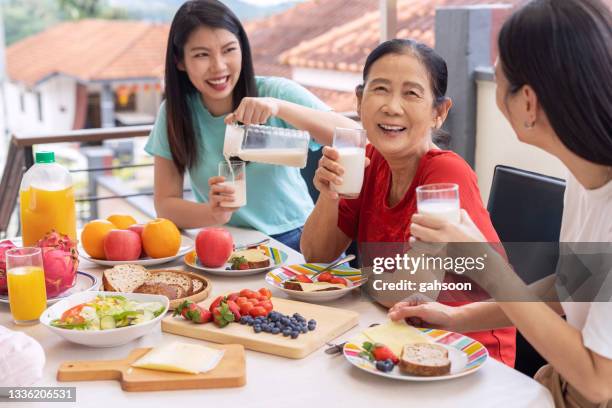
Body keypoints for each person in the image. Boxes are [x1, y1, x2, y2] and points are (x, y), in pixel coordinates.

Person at [392, 0, 612, 405]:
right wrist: (456, 317)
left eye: (498, 75)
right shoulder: (588, 178)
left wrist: (488, 266)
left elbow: (601, 381)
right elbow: (571, 287)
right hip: (560, 383)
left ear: (527, 103)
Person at [300, 39, 516, 367]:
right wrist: (329, 195)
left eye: (411, 93)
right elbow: (317, 255)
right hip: (397, 335)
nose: (392, 106)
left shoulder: (446, 172)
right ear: (359, 101)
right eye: (381, 89)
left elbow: (412, 287)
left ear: (439, 113)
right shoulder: (367, 160)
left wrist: (351, 278)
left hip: (467, 351)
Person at [144, 0, 358, 251]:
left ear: (243, 49)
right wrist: (213, 213)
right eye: (202, 54)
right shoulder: (175, 113)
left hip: (297, 239)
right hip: (223, 246)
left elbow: (353, 137)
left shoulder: (274, 92)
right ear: (180, 61)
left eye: (228, 50)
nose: (219, 66)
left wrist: (279, 107)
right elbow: (166, 204)